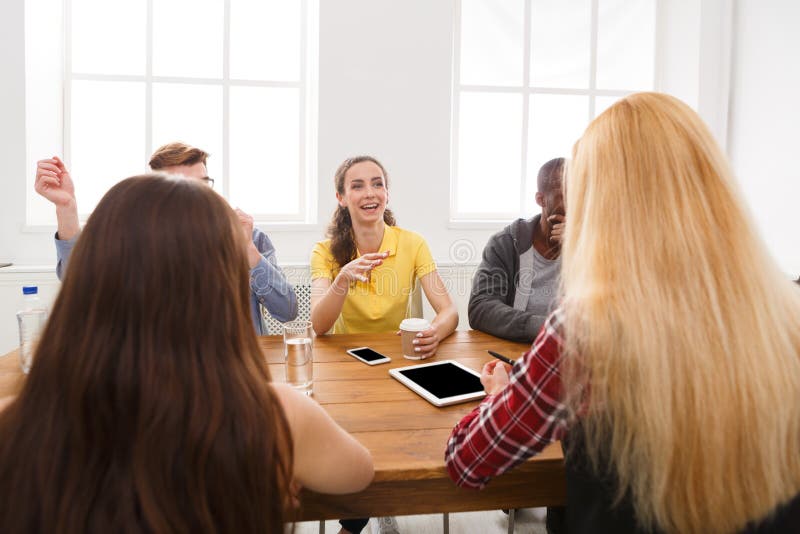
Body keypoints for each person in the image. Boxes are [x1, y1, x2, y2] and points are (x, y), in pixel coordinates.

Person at [445, 92, 800, 533]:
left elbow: (467, 459)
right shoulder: (785, 314)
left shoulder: (587, 331)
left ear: (599, 204)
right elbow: (481, 307)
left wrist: (504, 396)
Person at [0, 175, 374, 532]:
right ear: (218, 288)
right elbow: (360, 474)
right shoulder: (277, 417)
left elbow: (289, 309)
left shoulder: (16, 422)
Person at [310, 156, 458, 534]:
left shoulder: (412, 243)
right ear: (341, 197)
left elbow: (448, 311)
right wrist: (342, 278)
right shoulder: (325, 252)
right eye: (357, 185)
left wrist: (434, 332)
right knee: (355, 445)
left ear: (387, 193)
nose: (369, 192)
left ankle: (363, 516)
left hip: (400, 368)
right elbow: (319, 326)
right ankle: (364, 514)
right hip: (345, 374)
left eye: (377, 183)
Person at [33, 142, 297, 335]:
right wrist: (66, 209)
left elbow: (287, 311)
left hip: (240, 376)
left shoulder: (249, 237)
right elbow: (79, 285)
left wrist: (249, 252)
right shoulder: (135, 242)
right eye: (182, 189)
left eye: (203, 185)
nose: (197, 198)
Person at [468, 157, 565, 343]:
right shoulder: (505, 243)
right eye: (566, 193)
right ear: (541, 199)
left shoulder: (592, 246)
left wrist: (580, 251)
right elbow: (481, 309)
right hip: (517, 351)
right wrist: (547, 330)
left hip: (576, 357)